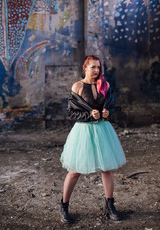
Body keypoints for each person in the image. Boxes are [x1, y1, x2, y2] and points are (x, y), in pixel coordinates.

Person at [60, 55, 126, 224]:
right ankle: (64, 205)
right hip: (83, 131)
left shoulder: (105, 85)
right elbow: (71, 112)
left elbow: (111, 105)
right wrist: (89, 115)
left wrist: (107, 112)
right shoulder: (78, 86)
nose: (96, 71)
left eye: (98, 67)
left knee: (107, 168)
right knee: (75, 170)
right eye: (93, 67)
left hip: (103, 130)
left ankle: (110, 205)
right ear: (85, 68)